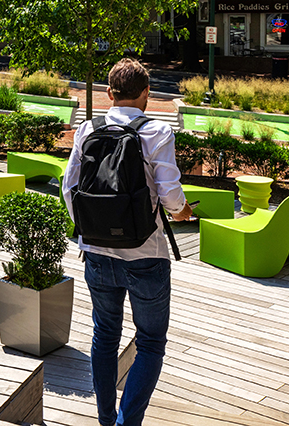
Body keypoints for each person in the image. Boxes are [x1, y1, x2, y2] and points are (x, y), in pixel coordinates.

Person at [62, 58, 193, 426]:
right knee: (150, 342)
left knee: (105, 336)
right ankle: (126, 423)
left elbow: (69, 189)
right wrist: (182, 212)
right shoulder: (157, 132)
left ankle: (106, 419)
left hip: (97, 255)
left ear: (109, 93)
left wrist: (91, 228)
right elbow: (170, 196)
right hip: (146, 255)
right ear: (147, 93)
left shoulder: (88, 129)